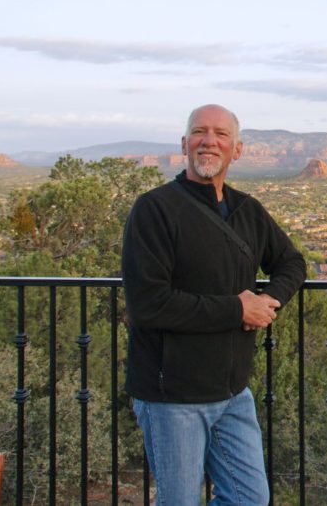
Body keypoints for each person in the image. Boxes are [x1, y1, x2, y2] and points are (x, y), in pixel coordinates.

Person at [122, 104, 306, 505]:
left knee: (249, 499)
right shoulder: (154, 210)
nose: (209, 141)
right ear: (184, 144)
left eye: (221, 134)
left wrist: (269, 300)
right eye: (200, 132)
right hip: (172, 396)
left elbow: (291, 263)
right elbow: (148, 304)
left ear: (236, 150)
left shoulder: (247, 211)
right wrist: (238, 310)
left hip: (232, 391)